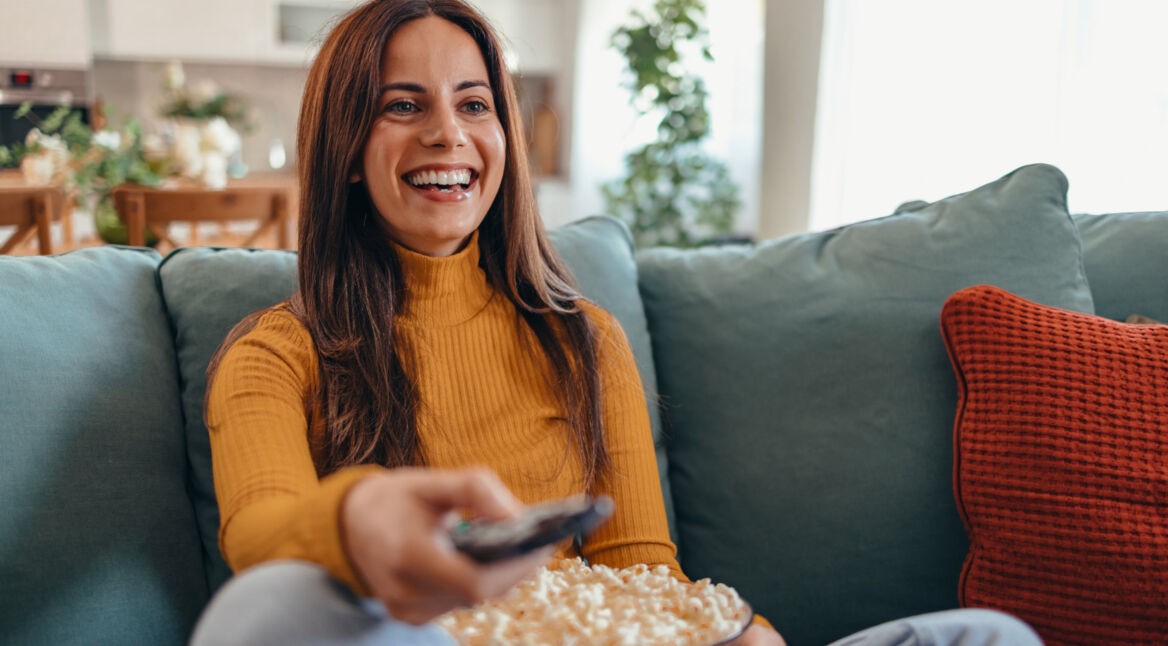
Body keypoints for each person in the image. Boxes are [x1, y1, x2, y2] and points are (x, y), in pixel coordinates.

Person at [190, 2, 1042, 645]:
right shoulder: (277, 355)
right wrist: (360, 524)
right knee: (270, 607)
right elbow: (262, 545)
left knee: (987, 636)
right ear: (343, 147)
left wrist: (731, 630)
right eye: (403, 106)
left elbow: (641, 571)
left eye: (476, 104)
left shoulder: (582, 339)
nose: (448, 134)